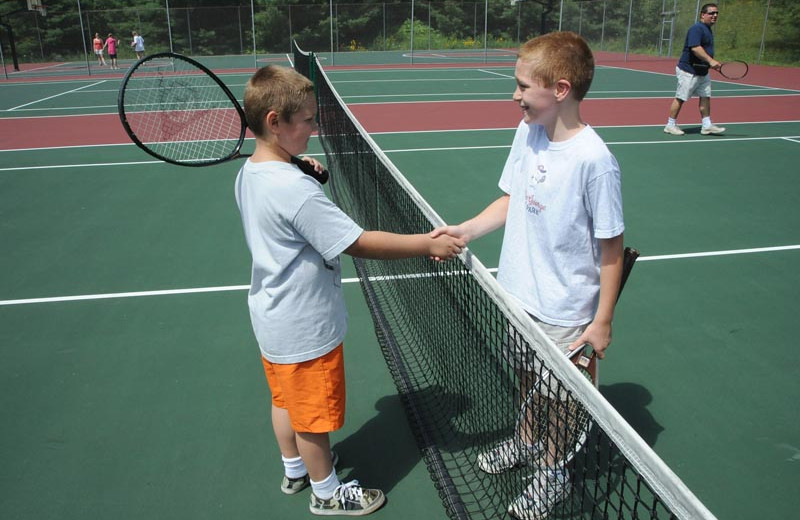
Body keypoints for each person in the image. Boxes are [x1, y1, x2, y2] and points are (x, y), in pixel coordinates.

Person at [233, 65, 465, 516]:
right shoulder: (294, 191)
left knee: (285, 400)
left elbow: (282, 203)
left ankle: (295, 469)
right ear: (275, 121)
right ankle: (326, 492)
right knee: (312, 419)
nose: (315, 128)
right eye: (307, 121)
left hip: (271, 317)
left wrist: (297, 163)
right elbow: (358, 242)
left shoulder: (253, 172)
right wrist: (426, 243)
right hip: (305, 325)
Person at [431, 31, 624, 520]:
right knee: (527, 381)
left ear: (560, 89)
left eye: (521, 86)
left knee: (560, 399)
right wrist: (465, 231)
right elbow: (511, 198)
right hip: (514, 294)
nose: (513, 95)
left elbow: (611, 249)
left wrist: (601, 320)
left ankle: (552, 473)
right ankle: (524, 440)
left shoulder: (595, 162)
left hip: (564, 312)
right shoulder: (528, 132)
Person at [664, 3, 726, 136]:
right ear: (703, 15)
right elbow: (695, 48)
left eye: (716, 13)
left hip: (702, 71)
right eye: (711, 13)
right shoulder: (697, 29)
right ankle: (670, 125)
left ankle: (706, 125)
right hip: (688, 70)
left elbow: (704, 51)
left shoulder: (708, 29)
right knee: (681, 98)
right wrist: (710, 61)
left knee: (705, 96)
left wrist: (710, 64)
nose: (715, 15)